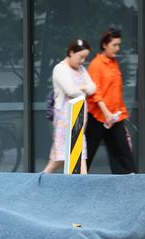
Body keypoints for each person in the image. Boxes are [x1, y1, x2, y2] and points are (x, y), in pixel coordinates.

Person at [86, 28, 136, 174]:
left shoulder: (114, 64)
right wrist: (106, 112)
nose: (117, 48)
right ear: (104, 45)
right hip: (97, 116)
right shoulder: (96, 65)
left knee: (123, 150)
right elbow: (96, 93)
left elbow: (116, 93)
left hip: (115, 116)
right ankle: (74, 183)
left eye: (118, 45)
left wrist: (121, 116)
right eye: (114, 45)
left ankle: (130, 183)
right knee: (88, 152)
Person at [43, 39, 96, 174]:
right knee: (60, 157)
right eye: (80, 57)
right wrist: (84, 88)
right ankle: (40, 181)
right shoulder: (60, 69)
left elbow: (93, 88)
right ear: (71, 53)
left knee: (78, 153)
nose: (82, 61)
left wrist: (81, 88)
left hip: (78, 117)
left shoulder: (82, 69)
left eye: (85, 57)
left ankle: (82, 183)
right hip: (65, 119)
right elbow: (71, 90)